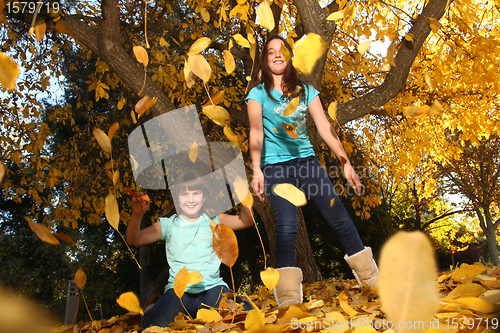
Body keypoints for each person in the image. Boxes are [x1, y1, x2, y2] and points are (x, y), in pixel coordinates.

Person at [246, 35, 379, 306]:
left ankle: (372, 280)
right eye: (271, 52)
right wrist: (257, 170)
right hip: (274, 167)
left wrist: (346, 162)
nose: (277, 55)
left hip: (307, 163)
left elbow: (324, 127)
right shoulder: (257, 94)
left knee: (338, 215)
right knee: (286, 225)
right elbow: (256, 132)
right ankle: (288, 298)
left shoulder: (306, 90)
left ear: (289, 56)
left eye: (282, 50)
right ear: (265, 59)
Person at [126, 170, 253, 328]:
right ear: (177, 199)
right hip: (179, 291)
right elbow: (134, 239)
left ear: (203, 196)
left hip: (212, 288)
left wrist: (244, 198)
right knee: (156, 324)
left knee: (242, 315)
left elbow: (245, 221)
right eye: (184, 194)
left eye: (196, 193)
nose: (191, 199)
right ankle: (154, 308)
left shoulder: (214, 220)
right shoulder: (169, 225)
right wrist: (137, 215)